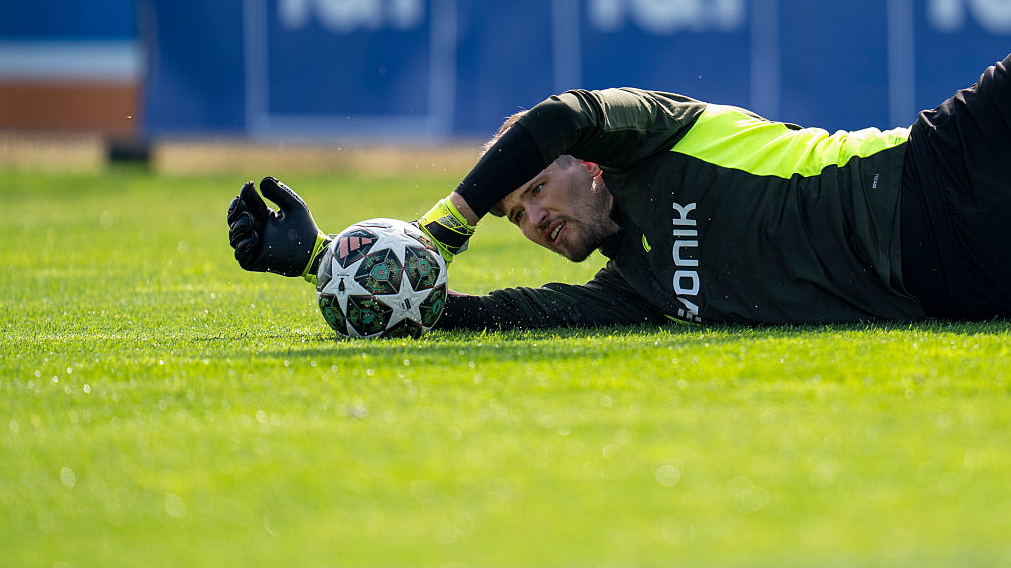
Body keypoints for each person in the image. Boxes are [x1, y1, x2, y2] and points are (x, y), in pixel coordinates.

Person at [227, 54, 1011, 330]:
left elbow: (561, 115)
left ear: (588, 164)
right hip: (954, 281)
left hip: (930, 168)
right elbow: (482, 314)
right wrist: (329, 266)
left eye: (536, 188)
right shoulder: (635, 292)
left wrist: (448, 223)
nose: (533, 218)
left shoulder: (657, 134)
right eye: (516, 214)